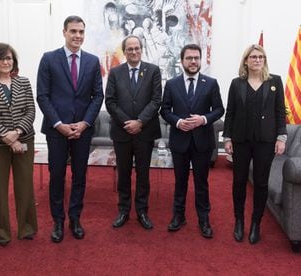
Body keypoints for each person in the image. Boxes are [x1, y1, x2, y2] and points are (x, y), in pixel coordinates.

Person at [36, 15, 104, 243]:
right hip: (57, 130)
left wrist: (85, 123)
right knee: (56, 175)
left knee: (80, 175)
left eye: (81, 32)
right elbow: (43, 96)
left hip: (82, 130)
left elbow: (98, 96)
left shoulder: (93, 61)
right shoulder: (48, 59)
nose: (77, 36)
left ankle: (75, 218)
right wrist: (59, 124)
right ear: (64, 32)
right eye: (73, 31)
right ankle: (58, 220)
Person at [223, 44, 287, 244]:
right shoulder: (236, 84)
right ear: (246, 61)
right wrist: (227, 139)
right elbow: (230, 112)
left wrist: (281, 137)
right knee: (239, 182)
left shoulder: (275, 81)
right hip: (241, 141)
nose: (257, 60)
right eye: (253, 57)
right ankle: (239, 221)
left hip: (265, 142)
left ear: (264, 60)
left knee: (260, 183)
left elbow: (279, 112)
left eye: (261, 57)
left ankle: (256, 223)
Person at [160, 44, 224, 238]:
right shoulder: (172, 84)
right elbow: (164, 110)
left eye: (196, 58)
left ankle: (203, 219)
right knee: (180, 182)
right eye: (189, 58)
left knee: (201, 182)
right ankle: (178, 216)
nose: (193, 61)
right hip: (180, 141)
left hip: (202, 142)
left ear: (200, 60)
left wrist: (203, 119)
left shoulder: (211, 83)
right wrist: (178, 122)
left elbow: (219, 109)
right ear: (182, 61)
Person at [0, 43, 38, 246]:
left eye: (9, 58)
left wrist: (17, 133)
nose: (6, 62)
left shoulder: (24, 82)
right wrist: (6, 136)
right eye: (2, 58)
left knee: (25, 187)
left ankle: (27, 228)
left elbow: (31, 110)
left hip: (24, 140)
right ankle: (1, 233)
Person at [105, 35, 162, 230]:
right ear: (125, 51)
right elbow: (110, 101)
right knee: (123, 174)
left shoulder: (153, 71)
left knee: (143, 174)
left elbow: (156, 101)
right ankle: (123, 210)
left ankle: (142, 211)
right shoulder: (115, 72)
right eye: (130, 49)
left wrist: (140, 122)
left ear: (141, 49)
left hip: (145, 133)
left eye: (137, 48)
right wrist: (126, 122)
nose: (134, 51)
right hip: (122, 133)